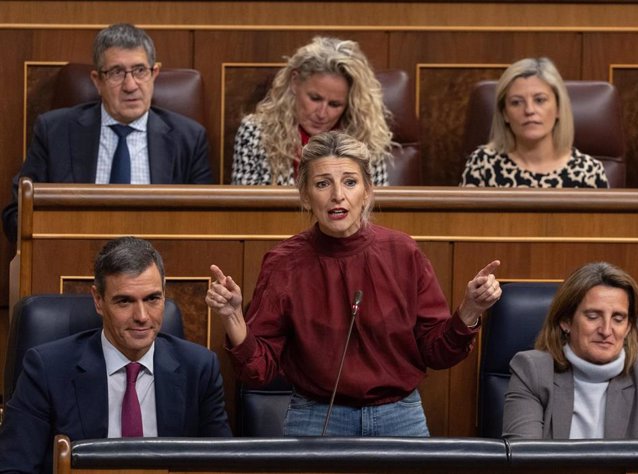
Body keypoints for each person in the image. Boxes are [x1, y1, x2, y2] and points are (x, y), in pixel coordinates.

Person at [208, 131, 501, 436]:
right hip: (317, 416)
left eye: (350, 182)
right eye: (323, 184)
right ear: (306, 195)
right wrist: (233, 317)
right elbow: (258, 371)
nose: (338, 195)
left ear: (367, 191)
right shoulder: (284, 263)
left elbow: (437, 353)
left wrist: (470, 310)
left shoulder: (402, 252)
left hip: (399, 416)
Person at [0, 236, 231, 474]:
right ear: (98, 301)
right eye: (125, 301)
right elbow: (15, 468)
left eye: (152, 298)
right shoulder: (47, 369)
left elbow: (221, 466)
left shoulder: (200, 367)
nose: (142, 315)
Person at [1, 23, 213, 242]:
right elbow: (16, 213)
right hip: (74, 262)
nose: (130, 85)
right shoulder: (55, 131)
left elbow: (206, 221)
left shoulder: (189, 138)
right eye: (116, 73)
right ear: (97, 81)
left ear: (154, 74)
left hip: (159, 266)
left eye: (140, 70)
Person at [502, 262, 638, 439]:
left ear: (629, 326)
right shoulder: (533, 371)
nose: (606, 330)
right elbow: (525, 460)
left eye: (618, 318)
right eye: (593, 316)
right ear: (566, 321)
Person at [231, 36, 393, 187]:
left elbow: (376, 209)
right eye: (315, 98)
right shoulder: (256, 132)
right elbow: (245, 209)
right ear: (295, 82)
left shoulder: (366, 139)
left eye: (335, 104)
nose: (322, 114)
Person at [460, 57, 608, 188]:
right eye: (516, 102)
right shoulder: (482, 165)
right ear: (505, 113)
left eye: (540, 100)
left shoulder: (589, 172)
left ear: (558, 109)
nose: (529, 110)